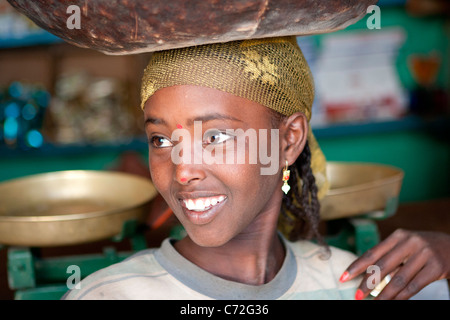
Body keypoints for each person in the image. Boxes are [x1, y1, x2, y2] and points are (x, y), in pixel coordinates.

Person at [63, 36, 450, 300]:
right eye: (160, 140)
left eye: (215, 137)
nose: (182, 173)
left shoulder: (356, 283)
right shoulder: (108, 294)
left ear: (289, 139)